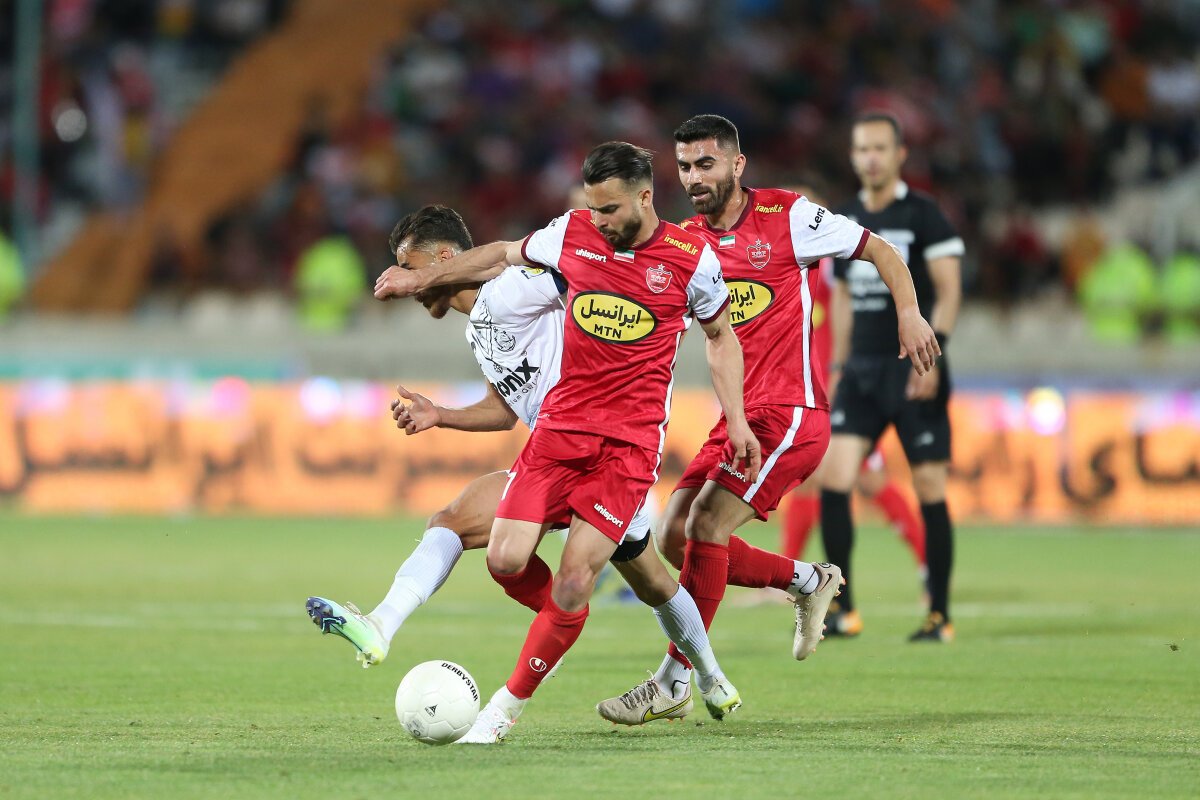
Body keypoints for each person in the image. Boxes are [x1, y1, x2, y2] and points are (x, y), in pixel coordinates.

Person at [373, 142, 758, 744]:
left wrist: (736, 419)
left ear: (644, 197)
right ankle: (684, 665)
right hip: (557, 436)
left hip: (626, 448)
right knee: (513, 560)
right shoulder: (571, 235)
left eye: (609, 209)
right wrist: (439, 405)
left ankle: (502, 708)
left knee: (592, 578)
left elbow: (720, 337)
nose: (598, 220)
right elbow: (504, 254)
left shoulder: (690, 260)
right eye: (592, 208)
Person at [598, 114, 940, 722]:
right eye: (684, 167)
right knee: (674, 537)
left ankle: (673, 681)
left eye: (706, 164)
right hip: (736, 416)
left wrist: (910, 313)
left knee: (706, 525)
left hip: (790, 412)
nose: (693, 178)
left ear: (737, 164)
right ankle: (807, 580)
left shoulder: (788, 217)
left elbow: (879, 249)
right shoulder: (684, 242)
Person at [820, 111, 964, 642]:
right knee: (835, 480)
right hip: (860, 369)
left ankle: (939, 614)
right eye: (862, 149)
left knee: (929, 487)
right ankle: (843, 608)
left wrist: (934, 355)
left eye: (880, 148)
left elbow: (948, 292)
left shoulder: (924, 214)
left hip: (913, 367)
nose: (871, 158)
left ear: (900, 154)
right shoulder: (845, 218)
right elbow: (841, 297)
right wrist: (837, 366)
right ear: (852, 156)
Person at [777, 183, 926, 587]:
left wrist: (845, 370)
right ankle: (785, 578)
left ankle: (928, 563)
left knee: (866, 479)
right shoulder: (789, 263)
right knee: (811, 482)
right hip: (813, 386)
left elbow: (853, 310)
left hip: (839, 387)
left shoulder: (831, 262)